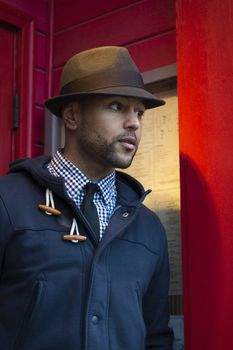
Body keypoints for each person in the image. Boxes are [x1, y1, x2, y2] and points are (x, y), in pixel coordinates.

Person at [0, 46, 174, 349]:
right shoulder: (6, 201)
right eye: (117, 106)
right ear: (72, 116)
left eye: (140, 112)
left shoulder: (150, 228)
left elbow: (156, 337)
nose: (134, 123)